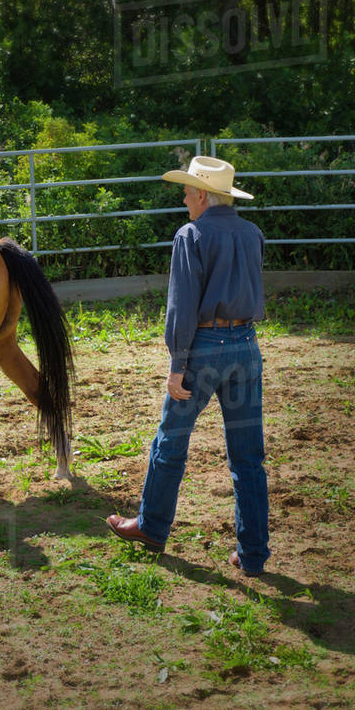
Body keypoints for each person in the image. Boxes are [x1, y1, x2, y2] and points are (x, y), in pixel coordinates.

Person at [106, 156, 270, 577]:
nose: (183, 198)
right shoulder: (252, 234)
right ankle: (252, 554)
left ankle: (152, 526)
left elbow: (181, 304)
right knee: (248, 458)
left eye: (186, 191)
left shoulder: (190, 235)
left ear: (201, 194)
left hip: (203, 350)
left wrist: (177, 363)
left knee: (171, 441)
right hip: (246, 348)